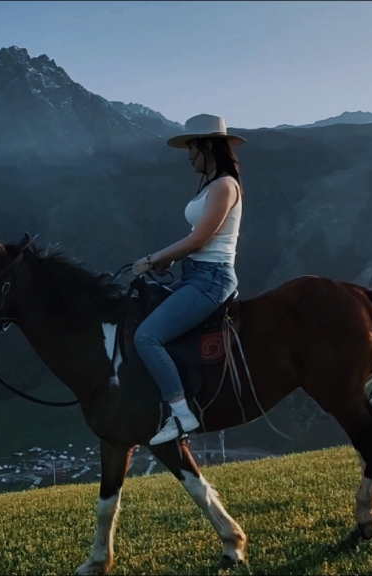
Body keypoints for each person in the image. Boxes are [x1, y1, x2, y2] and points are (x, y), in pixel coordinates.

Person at [132, 113, 245, 446]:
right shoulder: (213, 186)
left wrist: (154, 259)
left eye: (192, 149)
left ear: (206, 147)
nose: (189, 157)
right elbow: (197, 239)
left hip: (211, 279)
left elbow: (200, 240)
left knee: (147, 336)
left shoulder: (224, 186)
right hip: (196, 274)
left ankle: (181, 414)